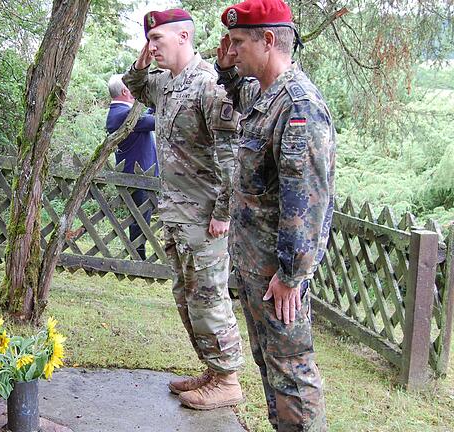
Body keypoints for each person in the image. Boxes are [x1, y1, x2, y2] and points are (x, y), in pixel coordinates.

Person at [214, 0, 335, 430]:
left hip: (277, 277)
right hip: (255, 267)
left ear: (268, 40)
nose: (233, 48)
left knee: (293, 375)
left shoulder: (298, 107)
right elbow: (233, 91)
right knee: (271, 369)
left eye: (240, 41)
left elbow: (307, 203)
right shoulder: (264, 94)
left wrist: (290, 276)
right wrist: (226, 66)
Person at [123, 8, 245, 410]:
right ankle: (212, 370)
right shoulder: (166, 85)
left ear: (184, 37)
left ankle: (227, 380)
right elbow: (134, 86)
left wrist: (223, 213)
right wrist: (140, 64)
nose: (151, 46)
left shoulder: (208, 85)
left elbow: (230, 158)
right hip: (176, 214)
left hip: (205, 217)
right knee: (188, 297)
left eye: (158, 39)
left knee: (209, 297)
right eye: (149, 39)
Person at [106, 74, 159, 260]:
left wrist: (153, 102)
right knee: (139, 217)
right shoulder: (122, 114)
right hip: (137, 175)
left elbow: (146, 118)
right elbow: (154, 122)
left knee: (141, 216)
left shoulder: (121, 112)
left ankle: (138, 254)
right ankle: (138, 256)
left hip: (140, 174)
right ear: (125, 91)